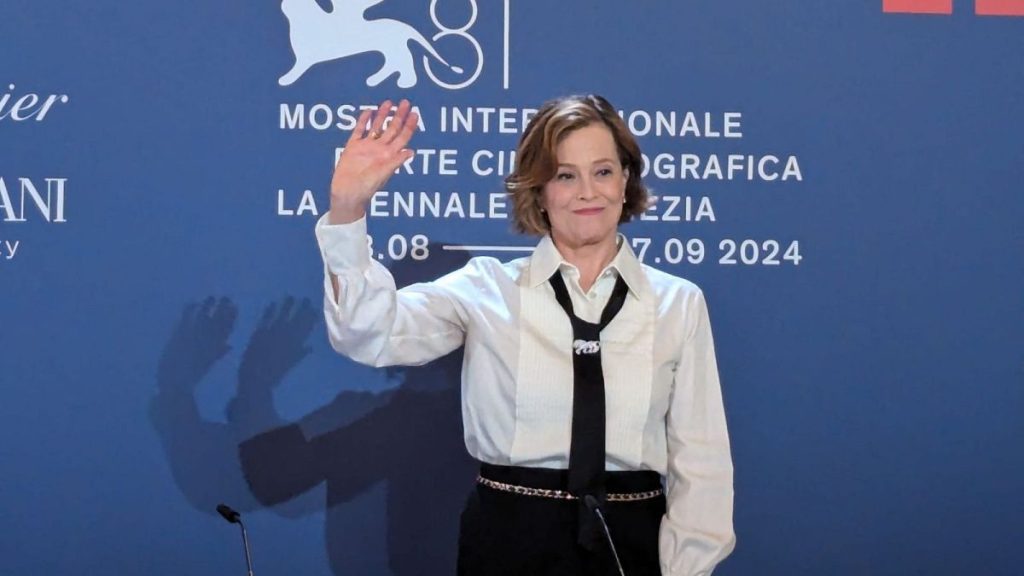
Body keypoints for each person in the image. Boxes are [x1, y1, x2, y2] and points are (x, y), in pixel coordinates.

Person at [315, 95, 735, 575]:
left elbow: (701, 463)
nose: (586, 192)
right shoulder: (485, 288)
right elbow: (366, 334)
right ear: (538, 190)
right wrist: (348, 208)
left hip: (632, 541)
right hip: (508, 539)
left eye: (602, 171)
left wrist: (686, 570)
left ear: (626, 180)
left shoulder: (679, 303)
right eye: (564, 175)